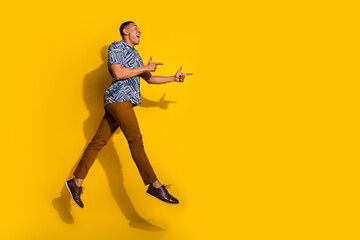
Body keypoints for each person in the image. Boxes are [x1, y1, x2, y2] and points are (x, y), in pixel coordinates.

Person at [65, 21, 193, 208]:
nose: (139, 30)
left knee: (98, 142)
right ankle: (155, 185)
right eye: (135, 28)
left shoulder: (136, 55)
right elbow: (118, 72)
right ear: (125, 31)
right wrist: (144, 68)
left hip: (120, 103)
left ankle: (75, 183)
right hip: (119, 99)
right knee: (135, 140)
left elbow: (149, 79)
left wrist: (172, 78)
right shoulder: (117, 46)